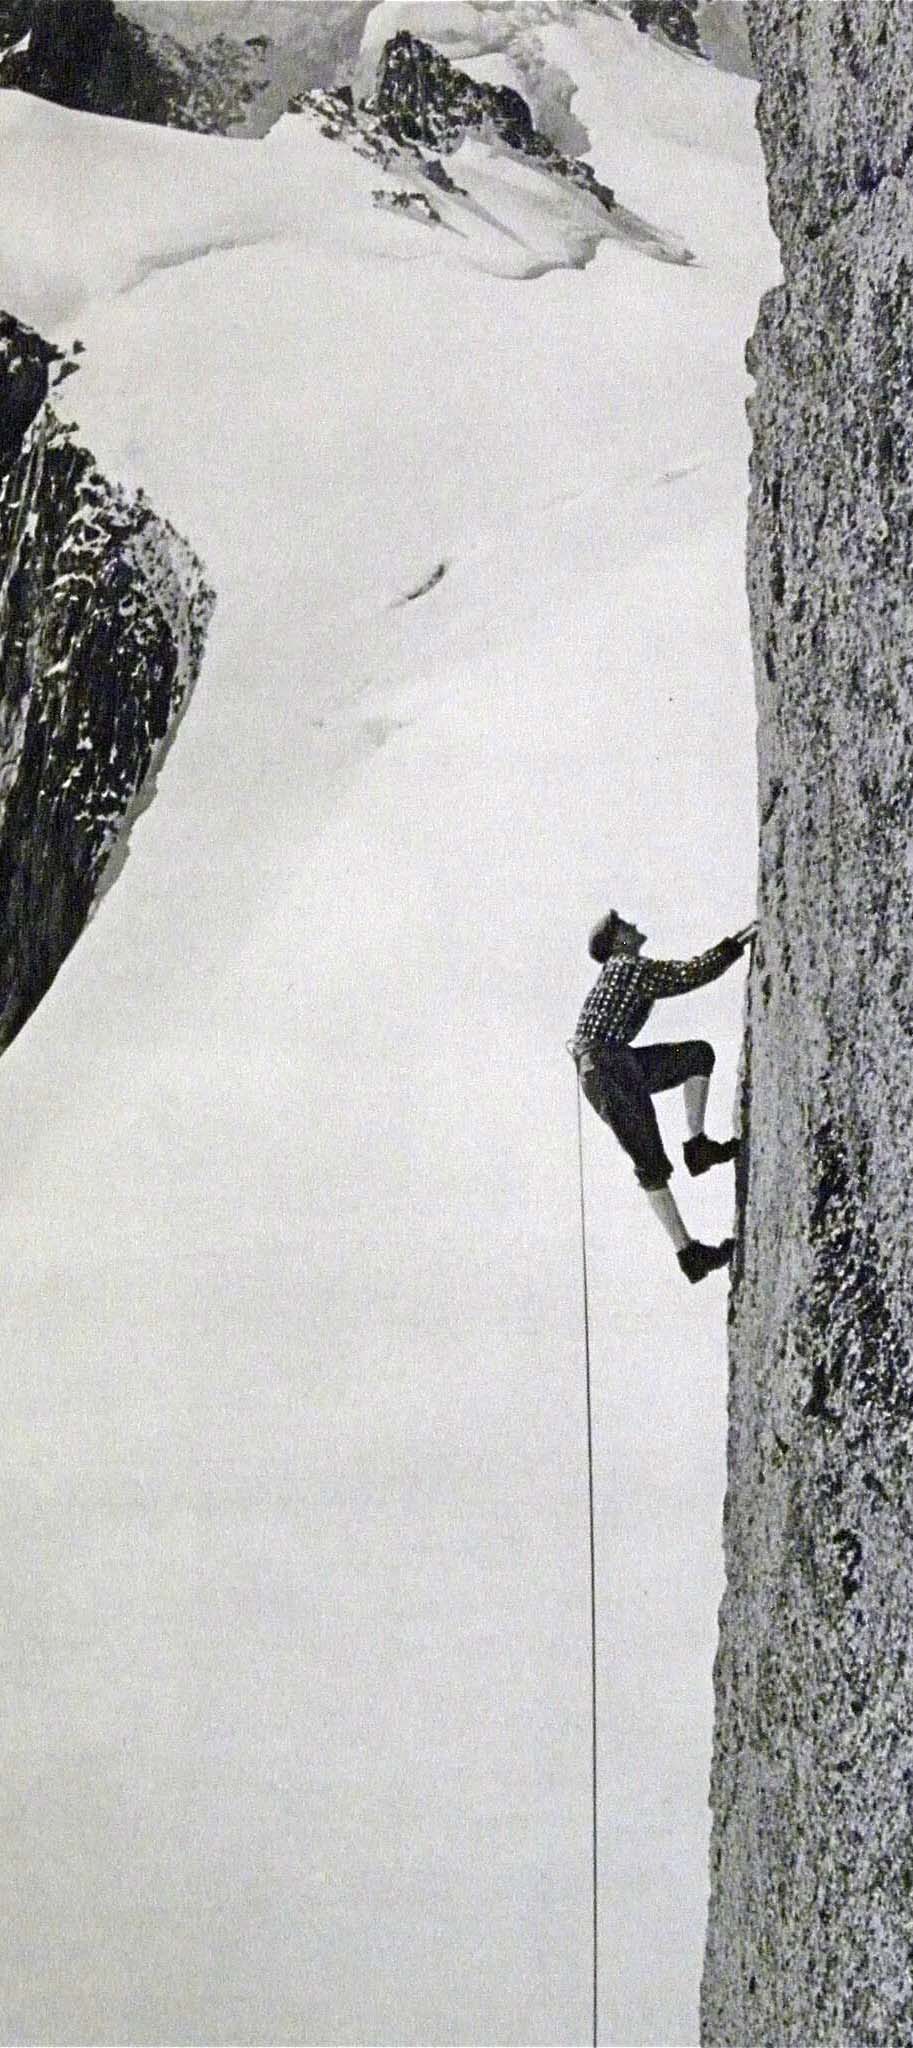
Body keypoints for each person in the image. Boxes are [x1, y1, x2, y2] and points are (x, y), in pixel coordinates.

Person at [569, 910, 755, 1283]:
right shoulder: (625, 966)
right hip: (605, 1068)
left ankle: (697, 1147)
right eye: (623, 926)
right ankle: (688, 1253)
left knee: (696, 1056)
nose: (634, 926)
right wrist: (736, 944)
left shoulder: (623, 968)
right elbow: (688, 975)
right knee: (649, 1162)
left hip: (615, 1060)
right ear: (616, 941)